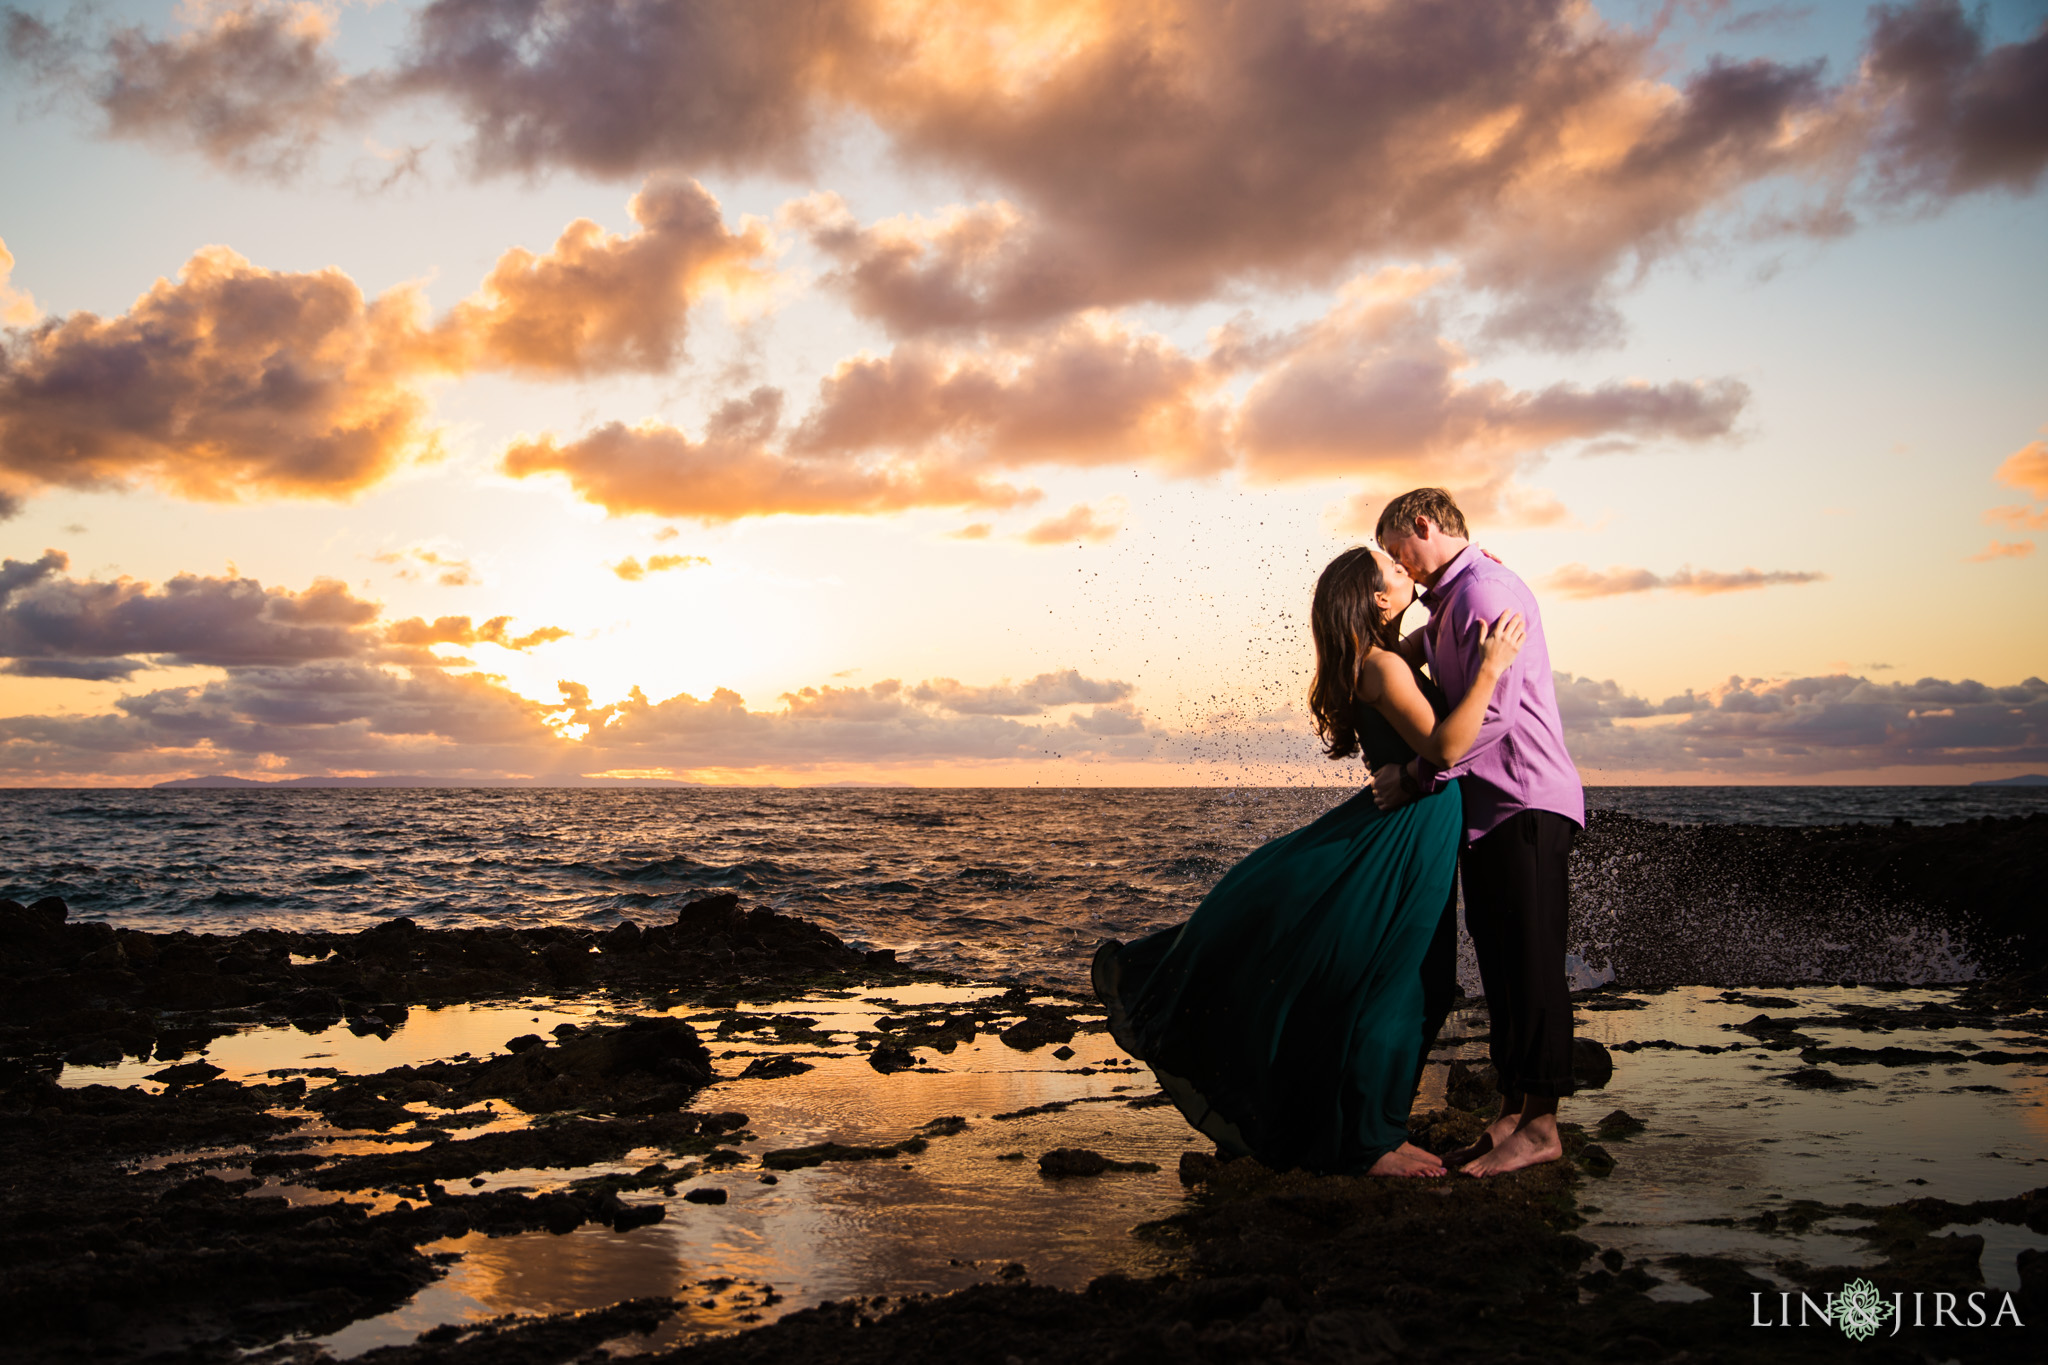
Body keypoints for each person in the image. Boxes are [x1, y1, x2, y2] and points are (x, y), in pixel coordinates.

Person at [1093, 546, 1524, 1177]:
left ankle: (1378, 1128)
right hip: (1406, 833)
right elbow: (1448, 745)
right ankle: (1369, 1144)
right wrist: (1490, 668)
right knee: (1400, 984)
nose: (1409, 573)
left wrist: (1461, 590)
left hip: (1415, 826)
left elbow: (1428, 641)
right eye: (1396, 572)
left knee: (1419, 982)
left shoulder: (1377, 658)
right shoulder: (1380, 666)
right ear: (1377, 598)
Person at [1371, 488, 1585, 1177]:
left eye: (1393, 548)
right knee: (1500, 967)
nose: (1394, 564)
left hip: (1526, 799)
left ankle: (1543, 1123)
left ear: (1423, 526)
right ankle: (1511, 1112)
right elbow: (1398, 662)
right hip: (1488, 808)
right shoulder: (1451, 603)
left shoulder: (1486, 591)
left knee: (1532, 965)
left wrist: (1416, 775)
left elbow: (1495, 716)